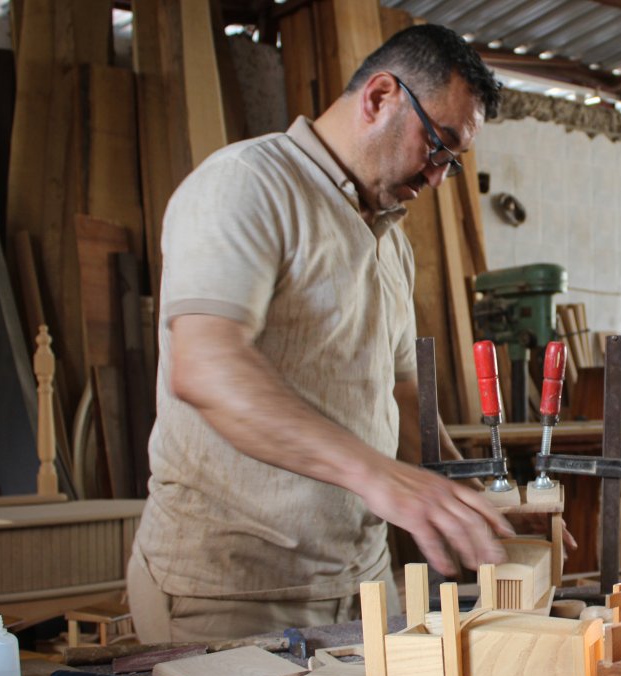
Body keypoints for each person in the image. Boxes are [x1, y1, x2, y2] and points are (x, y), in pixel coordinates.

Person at [127, 24, 515, 643]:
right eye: (436, 147)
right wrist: (376, 475)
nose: (439, 177)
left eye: (452, 162)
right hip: (234, 591)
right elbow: (206, 365)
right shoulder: (247, 185)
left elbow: (402, 394)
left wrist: (475, 498)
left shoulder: (388, 234)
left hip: (361, 582)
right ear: (381, 96)